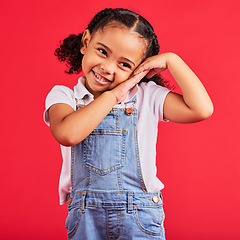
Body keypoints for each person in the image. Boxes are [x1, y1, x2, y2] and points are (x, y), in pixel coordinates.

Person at [43, 8, 213, 240]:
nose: (108, 68)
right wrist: (112, 96)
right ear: (86, 42)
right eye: (102, 51)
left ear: (140, 70)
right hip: (86, 217)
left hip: (140, 215)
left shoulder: (146, 96)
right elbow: (68, 133)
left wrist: (174, 61)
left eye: (124, 64)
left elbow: (201, 109)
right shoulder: (64, 96)